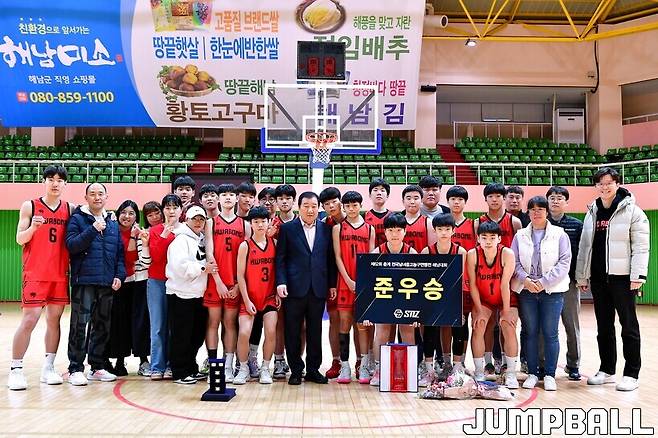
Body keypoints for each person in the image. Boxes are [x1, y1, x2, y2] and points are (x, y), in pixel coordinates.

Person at [576, 167, 650, 392]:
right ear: (596, 186)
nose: (604, 187)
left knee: (629, 326)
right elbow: (585, 247)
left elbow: (641, 246)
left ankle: (631, 373)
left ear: (617, 183)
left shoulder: (633, 211)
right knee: (604, 326)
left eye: (609, 182)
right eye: (600, 183)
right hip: (599, 279)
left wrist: (638, 275)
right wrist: (582, 275)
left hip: (623, 278)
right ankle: (607, 369)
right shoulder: (592, 212)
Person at [8, 165, 74, 390]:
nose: (55, 183)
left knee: (54, 321)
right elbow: (19, 239)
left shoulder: (70, 209)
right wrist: (33, 229)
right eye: (51, 179)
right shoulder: (30, 205)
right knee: (30, 320)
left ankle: (48, 367)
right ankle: (16, 369)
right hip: (35, 273)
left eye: (60, 180)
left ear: (65, 184)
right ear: (43, 181)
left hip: (60, 274)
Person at [65, 182, 126, 386]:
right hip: (84, 281)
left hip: (106, 282)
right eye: (92, 194)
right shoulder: (77, 219)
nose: (97, 197)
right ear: (86, 198)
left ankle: (97, 366)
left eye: (101, 194)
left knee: (102, 326)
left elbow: (119, 252)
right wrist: (92, 229)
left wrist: (119, 275)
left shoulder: (112, 222)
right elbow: (71, 245)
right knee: (79, 326)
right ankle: (75, 368)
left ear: (106, 197)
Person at [276, 192, 337, 386]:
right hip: (293, 288)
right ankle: (295, 370)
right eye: (306, 206)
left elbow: (330, 260)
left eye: (313, 206)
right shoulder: (287, 229)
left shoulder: (326, 230)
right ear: (299, 207)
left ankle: (313, 369)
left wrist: (332, 284)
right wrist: (281, 282)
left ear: (318, 208)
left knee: (315, 330)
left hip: (318, 288)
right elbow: (281, 259)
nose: (310, 210)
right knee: (292, 331)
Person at [512, 196, 571, 391]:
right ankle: (532, 372)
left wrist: (544, 282)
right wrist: (526, 280)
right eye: (533, 209)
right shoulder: (520, 235)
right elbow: (514, 261)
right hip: (527, 290)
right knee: (530, 332)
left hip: (552, 291)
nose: (536, 213)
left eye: (540, 209)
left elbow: (564, 262)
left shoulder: (559, 234)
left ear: (547, 212)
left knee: (550, 333)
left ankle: (550, 374)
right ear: (528, 212)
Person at [203, 183, 251, 382]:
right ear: (219, 199)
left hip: (234, 283)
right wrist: (218, 281)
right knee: (213, 323)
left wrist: (239, 285)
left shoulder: (245, 225)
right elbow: (209, 253)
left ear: (237, 198)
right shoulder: (211, 223)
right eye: (224, 194)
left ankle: (229, 367)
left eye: (232, 194)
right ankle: (214, 368)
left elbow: (248, 258)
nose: (228, 197)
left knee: (230, 323)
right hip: (215, 282)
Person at [364, 213, 417, 387]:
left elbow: (419, 285)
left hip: (406, 298)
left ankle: (409, 370)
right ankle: (379, 369)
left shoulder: (412, 253)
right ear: (385, 232)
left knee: (407, 330)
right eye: (391, 230)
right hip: (383, 297)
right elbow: (369, 284)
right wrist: (368, 311)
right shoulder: (376, 253)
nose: (395, 234)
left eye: (398, 230)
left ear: (405, 232)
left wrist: (418, 311)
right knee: (382, 331)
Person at [467, 221, 519, 389]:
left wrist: (506, 312)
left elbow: (505, 285)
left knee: (508, 325)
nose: (488, 241)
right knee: (479, 324)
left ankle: (511, 373)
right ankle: (479, 371)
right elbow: (472, 285)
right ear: (478, 239)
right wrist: (478, 310)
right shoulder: (472, 254)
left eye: (492, 237)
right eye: (484, 237)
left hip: (506, 297)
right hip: (483, 299)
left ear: (499, 239)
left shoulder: (507, 254)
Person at [477, 182, 522, 376]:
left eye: (498, 196)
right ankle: (488, 363)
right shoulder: (479, 222)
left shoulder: (514, 222)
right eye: (491, 196)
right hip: (486, 281)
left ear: (504, 198)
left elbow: (520, 252)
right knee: (487, 324)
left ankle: (506, 362)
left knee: (507, 323)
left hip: (508, 281)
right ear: (485, 199)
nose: (494, 199)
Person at [166, 205, 213, 384]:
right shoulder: (180, 240)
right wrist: (203, 268)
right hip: (180, 294)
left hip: (198, 294)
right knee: (181, 335)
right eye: (195, 219)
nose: (198, 222)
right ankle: (179, 371)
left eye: (201, 219)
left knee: (196, 335)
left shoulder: (201, 239)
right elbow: (180, 267)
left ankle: (190, 367)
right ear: (186, 220)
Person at [332, 191, 375, 384]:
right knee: (344, 324)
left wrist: (364, 282)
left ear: (360, 206)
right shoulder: (338, 228)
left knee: (362, 325)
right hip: (345, 282)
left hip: (364, 284)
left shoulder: (369, 229)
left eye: (354, 205)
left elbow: (371, 259)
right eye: (347, 206)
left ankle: (363, 365)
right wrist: (348, 280)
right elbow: (338, 257)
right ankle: (345, 366)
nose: (351, 209)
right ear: (343, 207)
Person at [419, 214, 468, 386]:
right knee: (430, 330)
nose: (444, 232)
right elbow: (422, 280)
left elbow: (462, 281)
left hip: (453, 298)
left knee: (459, 327)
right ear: (435, 231)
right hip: (432, 298)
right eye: (440, 229)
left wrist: (459, 307)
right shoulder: (427, 252)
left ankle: (457, 368)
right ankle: (429, 370)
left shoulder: (461, 252)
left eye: (447, 229)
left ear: (453, 231)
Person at [234, 207, 280, 385]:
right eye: (256, 221)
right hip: (250, 297)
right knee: (244, 332)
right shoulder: (245, 246)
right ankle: (243, 368)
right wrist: (246, 300)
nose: (260, 225)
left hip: (269, 297)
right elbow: (240, 276)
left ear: (268, 222)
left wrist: (277, 291)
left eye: (263, 221)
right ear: (250, 224)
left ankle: (265, 368)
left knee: (271, 331)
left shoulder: (274, 243)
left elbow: (279, 271)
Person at [105, 200, 151, 377]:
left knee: (140, 322)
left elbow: (132, 258)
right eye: (124, 212)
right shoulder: (111, 230)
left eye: (131, 213)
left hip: (137, 281)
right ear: (118, 214)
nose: (127, 216)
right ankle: (119, 360)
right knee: (119, 322)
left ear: (136, 217)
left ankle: (143, 360)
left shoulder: (140, 232)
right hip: (117, 283)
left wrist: (133, 236)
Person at [546, 186, 583, 381]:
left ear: (566, 202)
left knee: (571, 325)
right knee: (545, 327)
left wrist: (582, 277)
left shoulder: (576, 225)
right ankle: (543, 365)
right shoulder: (540, 223)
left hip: (569, 283)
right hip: (545, 284)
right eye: (552, 198)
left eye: (559, 198)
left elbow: (583, 253)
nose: (555, 201)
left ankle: (573, 365)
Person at [147, 194, 183, 380]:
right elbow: (156, 257)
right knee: (158, 326)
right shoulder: (155, 230)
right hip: (157, 281)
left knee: (175, 326)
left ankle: (171, 365)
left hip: (179, 283)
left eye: (175, 207)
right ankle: (157, 366)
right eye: (167, 208)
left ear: (181, 210)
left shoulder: (186, 230)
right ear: (163, 211)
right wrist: (164, 236)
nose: (171, 211)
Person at [265, 184, 297, 378]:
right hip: (275, 279)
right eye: (281, 198)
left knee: (300, 325)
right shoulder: (270, 224)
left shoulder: (301, 221)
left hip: (298, 280)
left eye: (288, 198)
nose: (284, 201)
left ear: (294, 200)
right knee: (278, 322)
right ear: (276, 202)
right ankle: (278, 360)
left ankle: (297, 361)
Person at [318, 186, 345, 379]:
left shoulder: (358, 222)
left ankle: (362, 361)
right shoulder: (323, 226)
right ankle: (336, 360)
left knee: (359, 322)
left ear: (340, 202)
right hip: (333, 280)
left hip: (354, 278)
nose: (331, 206)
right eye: (326, 204)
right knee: (334, 320)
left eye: (334, 202)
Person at [402, 185, 436, 253]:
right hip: (401, 259)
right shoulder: (397, 223)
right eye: (408, 198)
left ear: (421, 201)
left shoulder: (428, 223)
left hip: (422, 259)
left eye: (416, 198)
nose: (412, 202)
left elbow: (431, 250)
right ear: (403, 201)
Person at [364, 178, 392, 247]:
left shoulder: (393, 216)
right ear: (370, 195)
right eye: (375, 190)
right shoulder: (363, 217)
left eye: (382, 190)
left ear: (387, 196)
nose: (379, 193)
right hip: (370, 253)